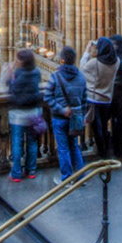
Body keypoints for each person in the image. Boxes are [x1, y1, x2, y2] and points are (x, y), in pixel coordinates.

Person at [44, 45, 87, 181]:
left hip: (59, 117)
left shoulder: (55, 76)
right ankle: (81, 177)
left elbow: (47, 97)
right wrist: (81, 115)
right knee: (74, 146)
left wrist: (62, 110)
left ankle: (67, 178)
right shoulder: (81, 77)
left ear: (62, 60)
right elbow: (85, 99)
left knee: (63, 149)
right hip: (75, 118)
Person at [5, 48, 43, 181]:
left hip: (18, 115)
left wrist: (10, 74)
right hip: (33, 113)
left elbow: (10, 89)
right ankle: (31, 170)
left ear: (21, 62)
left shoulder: (17, 74)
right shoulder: (37, 72)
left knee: (17, 143)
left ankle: (16, 173)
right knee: (32, 142)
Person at [80, 39, 117, 159]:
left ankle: (103, 155)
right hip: (107, 100)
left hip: (94, 100)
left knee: (98, 130)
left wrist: (87, 51)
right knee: (105, 127)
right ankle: (108, 151)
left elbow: (82, 69)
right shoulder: (117, 62)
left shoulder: (94, 63)